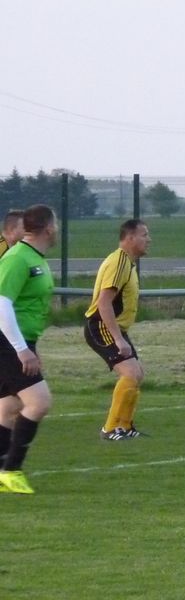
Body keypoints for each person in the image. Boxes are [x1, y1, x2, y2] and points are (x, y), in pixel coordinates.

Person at [0, 205, 59, 494]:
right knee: (39, 402)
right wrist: (22, 350)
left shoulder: (35, 258)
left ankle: (3, 470)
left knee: (8, 407)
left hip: (20, 341)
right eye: (56, 224)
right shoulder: (17, 258)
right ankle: (11, 471)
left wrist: (31, 346)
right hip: (8, 342)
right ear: (48, 228)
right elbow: (2, 304)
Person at [83, 219, 152, 440]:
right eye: (144, 235)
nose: (149, 239)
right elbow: (104, 303)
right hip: (101, 326)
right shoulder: (120, 261)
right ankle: (110, 428)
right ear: (130, 238)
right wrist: (118, 339)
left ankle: (124, 426)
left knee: (137, 374)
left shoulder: (127, 262)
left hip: (114, 327)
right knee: (130, 373)